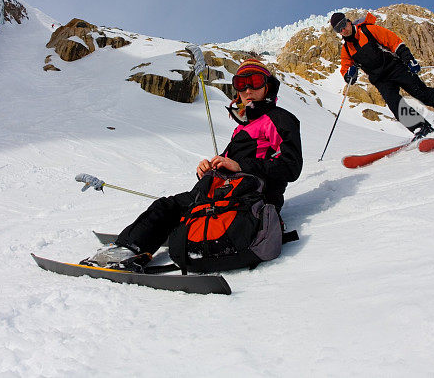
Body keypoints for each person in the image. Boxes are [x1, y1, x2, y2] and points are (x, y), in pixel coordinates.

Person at [82, 58, 303, 271]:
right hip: (225, 191)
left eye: (254, 82)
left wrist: (240, 166)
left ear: (268, 86)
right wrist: (209, 169)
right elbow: (233, 164)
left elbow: (291, 166)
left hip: (251, 197)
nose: (247, 90)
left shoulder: (278, 118)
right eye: (240, 84)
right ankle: (134, 246)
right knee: (166, 206)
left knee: (171, 209)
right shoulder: (243, 128)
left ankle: (131, 248)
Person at [329, 11, 434, 140]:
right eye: (338, 29)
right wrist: (349, 75)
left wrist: (409, 59)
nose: (343, 30)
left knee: (422, 93)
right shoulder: (347, 50)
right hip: (380, 80)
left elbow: (393, 41)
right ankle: (422, 127)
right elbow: (346, 71)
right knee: (395, 105)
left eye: (343, 25)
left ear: (348, 21)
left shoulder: (367, 30)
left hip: (395, 68)